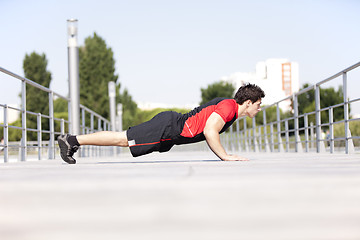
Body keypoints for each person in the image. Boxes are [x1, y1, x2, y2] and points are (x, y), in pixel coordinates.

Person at [58, 83, 265, 164]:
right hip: (169, 127)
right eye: (258, 104)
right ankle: (72, 140)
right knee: (123, 139)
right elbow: (211, 131)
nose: (259, 108)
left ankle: (74, 140)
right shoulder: (229, 107)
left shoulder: (229, 109)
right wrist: (226, 156)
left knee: (123, 139)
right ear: (247, 103)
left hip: (171, 129)